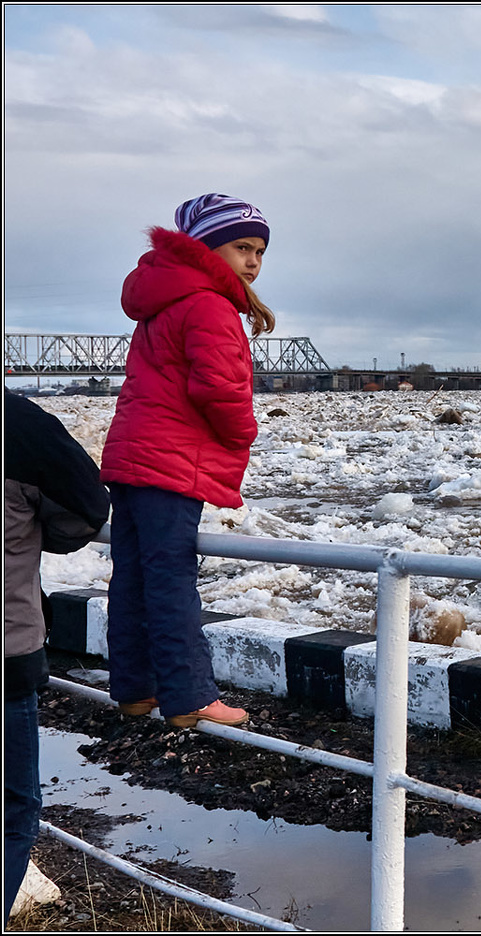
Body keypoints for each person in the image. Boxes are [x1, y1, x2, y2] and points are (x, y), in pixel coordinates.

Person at [100, 193, 276, 729]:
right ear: (205, 247)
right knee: (174, 578)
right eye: (241, 246)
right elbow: (218, 388)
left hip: (133, 453)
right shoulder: (209, 304)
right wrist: (244, 433)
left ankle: (135, 689)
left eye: (261, 251)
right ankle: (190, 696)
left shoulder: (164, 300)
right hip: (170, 461)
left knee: (132, 576)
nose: (252, 261)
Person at [4, 390, 111, 921]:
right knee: (11, 811)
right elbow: (87, 511)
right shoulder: (18, 424)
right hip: (5, 657)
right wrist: (30, 529)